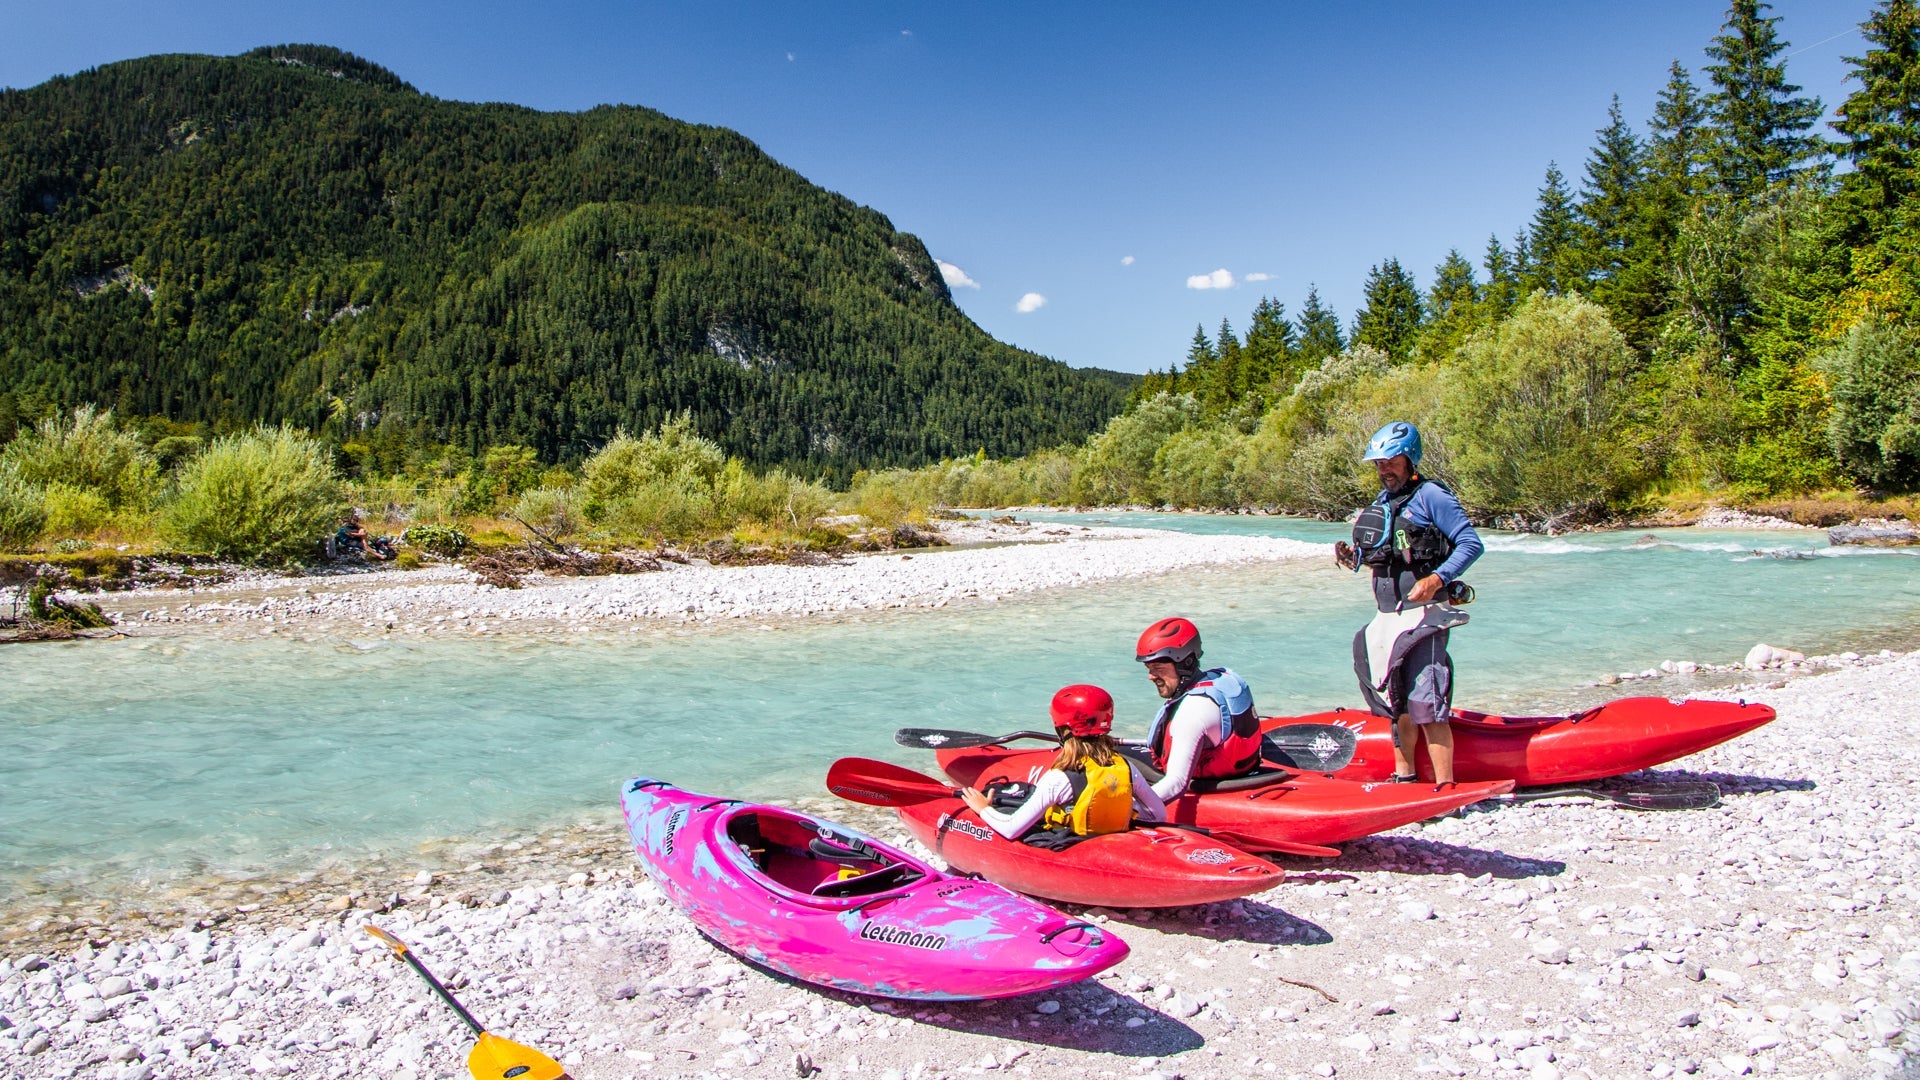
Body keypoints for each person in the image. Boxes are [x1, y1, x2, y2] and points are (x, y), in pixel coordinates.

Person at [1333, 421, 1483, 785]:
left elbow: (1471, 543)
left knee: (1427, 703)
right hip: (1388, 618)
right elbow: (1384, 555)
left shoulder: (1432, 496)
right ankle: (1405, 777)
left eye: (1392, 460)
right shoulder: (1383, 503)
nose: (1384, 468)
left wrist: (1436, 579)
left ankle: (1445, 788)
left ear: (1410, 458)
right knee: (1395, 703)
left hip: (1425, 616)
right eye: (1379, 463)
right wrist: (1354, 557)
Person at [960, 685, 1165, 841]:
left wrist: (983, 809)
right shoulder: (1127, 768)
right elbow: (1158, 815)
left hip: (1074, 847)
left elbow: (1011, 830)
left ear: (1061, 729)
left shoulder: (1060, 778)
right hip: (1111, 843)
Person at [1133, 617, 1265, 802]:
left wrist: (1124, 812)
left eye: (1158, 668)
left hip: (1213, 786)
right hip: (1243, 768)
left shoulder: (1192, 712)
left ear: (1185, 663)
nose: (1151, 676)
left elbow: (1176, 783)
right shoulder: (1222, 678)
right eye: (1149, 668)